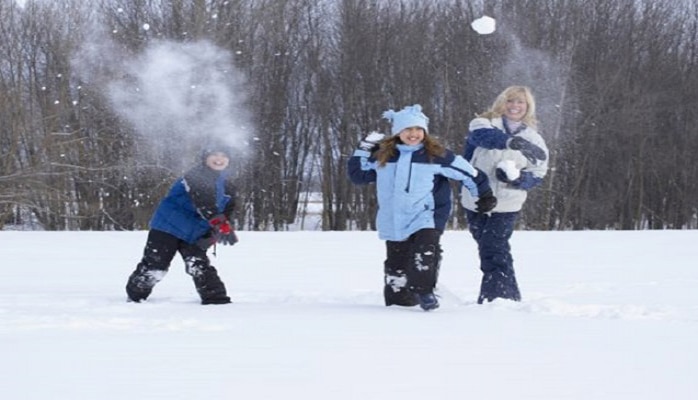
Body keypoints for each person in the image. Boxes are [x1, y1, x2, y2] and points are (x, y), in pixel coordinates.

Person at [348, 104, 497, 311]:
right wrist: (363, 149)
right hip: (394, 217)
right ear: (397, 132)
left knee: (424, 251)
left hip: (426, 215)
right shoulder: (383, 157)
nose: (413, 134)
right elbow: (358, 175)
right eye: (408, 129)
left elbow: (469, 172)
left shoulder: (436, 155)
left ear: (425, 132)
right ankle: (398, 298)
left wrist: (483, 195)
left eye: (418, 129)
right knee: (396, 260)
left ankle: (424, 290)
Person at [460, 85, 549, 304]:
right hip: (476, 199)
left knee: (494, 247)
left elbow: (538, 172)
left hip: (508, 203)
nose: (515, 106)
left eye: (521, 102)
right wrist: (512, 143)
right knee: (487, 249)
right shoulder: (483, 123)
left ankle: (497, 297)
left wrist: (517, 179)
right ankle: (505, 297)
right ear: (502, 102)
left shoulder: (534, 138)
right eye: (511, 101)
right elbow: (482, 138)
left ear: (528, 107)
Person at [125, 140, 239, 305]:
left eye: (224, 155)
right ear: (205, 157)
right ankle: (135, 297)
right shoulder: (196, 175)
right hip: (168, 227)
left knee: (198, 265)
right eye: (214, 154)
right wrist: (220, 224)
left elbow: (226, 210)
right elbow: (204, 202)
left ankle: (216, 301)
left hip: (196, 230)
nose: (219, 159)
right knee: (156, 266)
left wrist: (216, 231)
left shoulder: (228, 184)